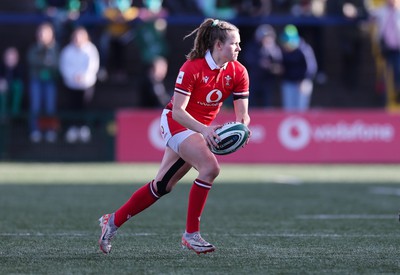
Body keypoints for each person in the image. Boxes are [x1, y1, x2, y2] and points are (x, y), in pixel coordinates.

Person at [98, 18, 251, 255]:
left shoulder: (239, 71)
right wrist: (205, 130)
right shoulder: (192, 67)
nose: (239, 48)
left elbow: (243, 116)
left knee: (162, 186)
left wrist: (242, 129)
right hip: (176, 123)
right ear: (218, 45)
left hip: (199, 129)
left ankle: (112, 221)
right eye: (235, 44)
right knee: (210, 168)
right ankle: (191, 235)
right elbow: (178, 112)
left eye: (239, 44)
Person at [59, 27, 100, 143]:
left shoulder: (91, 50)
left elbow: (93, 66)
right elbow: (64, 67)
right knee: (72, 106)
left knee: (85, 106)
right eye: (76, 36)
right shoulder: (67, 51)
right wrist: (73, 77)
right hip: (71, 85)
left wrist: (83, 77)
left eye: (81, 36)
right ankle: (73, 128)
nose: (78, 39)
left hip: (86, 84)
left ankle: (84, 128)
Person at [27, 22, 60, 143]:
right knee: (35, 105)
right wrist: (45, 62)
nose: (43, 36)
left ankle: (50, 130)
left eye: (46, 33)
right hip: (36, 80)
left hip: (50, 81)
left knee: (50, 106)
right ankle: (35, 130)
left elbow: (56, 64)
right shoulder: (34, 48)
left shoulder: (55, 48)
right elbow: (32, 60)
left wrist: (49, 53)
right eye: (41, 33)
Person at [279, 24, 317, 111]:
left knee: (301, 109)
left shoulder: (304, 49)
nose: (286, 45)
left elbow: (311, 67)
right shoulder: (284, 51)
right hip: (289, 82)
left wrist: (305, 80)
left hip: (302, 83)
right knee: (288, 109)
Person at [243, 24, 282, 108]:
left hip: (268, 81)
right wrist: (259, 63)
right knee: (252, 104)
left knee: (267, 104)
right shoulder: (252, 47)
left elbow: (278, 60)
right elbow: (248, 60)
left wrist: (269, 49)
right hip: (254, 80)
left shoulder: (273, 48)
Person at [368, 0, 400, 103]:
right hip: (385, 48)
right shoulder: (381, 11)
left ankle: (397, 94)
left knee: (397, 71)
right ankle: (382, 97)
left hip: (398, 48)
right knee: (383, 73)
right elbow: (370, 16)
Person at [0, 47, 24, 119]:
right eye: (9, 56)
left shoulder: (19, 67)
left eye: (13, 56)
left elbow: (19, 79)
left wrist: (12, 67)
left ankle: (14, 113)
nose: (10, 58)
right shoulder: (1, 66)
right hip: (3, 88)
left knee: (18, 86)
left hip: (14, 88)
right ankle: (2, 114)